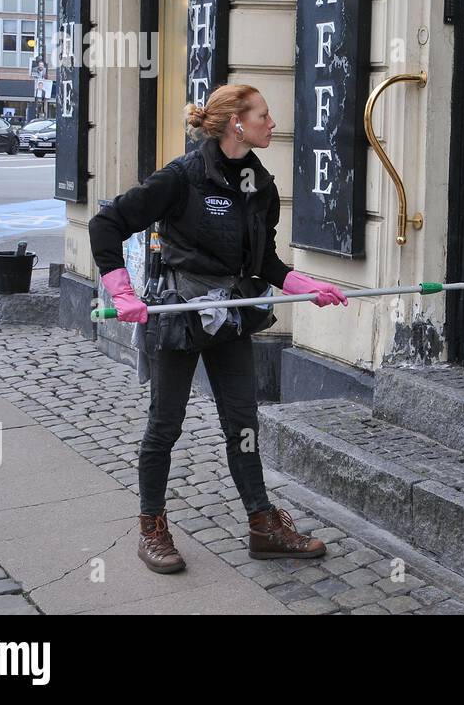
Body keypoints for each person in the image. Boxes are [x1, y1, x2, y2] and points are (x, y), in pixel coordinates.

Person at [88, 84, 349, 574]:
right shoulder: (183, 176)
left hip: (229, 314)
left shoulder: (260, 184)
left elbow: (263, 260)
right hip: (178, 314)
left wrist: (302, 284)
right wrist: (122, 292)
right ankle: (152, 526)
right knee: (165, 425)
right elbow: (106, 224)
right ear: (237, 124)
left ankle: (262, 526)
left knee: (243, 423)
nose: (272, 124)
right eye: (264, 116)